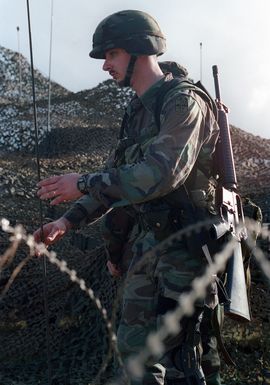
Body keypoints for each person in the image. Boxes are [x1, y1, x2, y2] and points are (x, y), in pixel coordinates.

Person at [34, 9, 221, 385]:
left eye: (112, 54)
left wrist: (83, 181)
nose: (105, 65)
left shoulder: (182, 103)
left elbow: (159, 175)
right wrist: (65, 222)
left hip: (183, 257)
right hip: (145, 253)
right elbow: (115, 179)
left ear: (140, 49)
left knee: (183, 366)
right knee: (136, 364)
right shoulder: (136, 114)